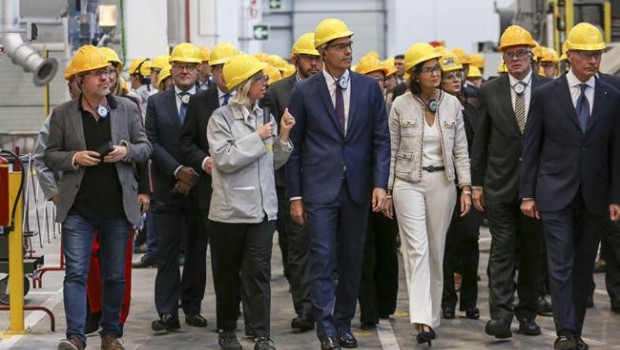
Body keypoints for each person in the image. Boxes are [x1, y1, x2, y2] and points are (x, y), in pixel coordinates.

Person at [286, 18, 390, 350]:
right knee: (322, 258)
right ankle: (326, 329)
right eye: (340, 47)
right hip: (318, 189)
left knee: (352, 259)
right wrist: (296, 196)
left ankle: (344, 323)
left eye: (349, 46)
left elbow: (381, 141)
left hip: (357, 189)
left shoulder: (368, 88)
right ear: (323, 52)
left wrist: (380, 184)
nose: (348, 52)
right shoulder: (303, 91)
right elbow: (294, 148)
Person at [44, 44, 152, 350]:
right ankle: (76, 336)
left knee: (115, 275)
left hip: (118, 209)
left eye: (107, 72)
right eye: (96, 74)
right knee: (75, 274)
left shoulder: (127, 109)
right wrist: (74, 157)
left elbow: (146, 148)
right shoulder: (63, 114)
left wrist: (126, 151)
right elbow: (50, 155)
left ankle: (110, 334)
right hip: (79, 209)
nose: (105, 78)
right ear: (79, 80)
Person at [520, 22, 620, 350]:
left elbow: (616, 151)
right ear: (570, 56)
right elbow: (531, 147)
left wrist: (615, 196)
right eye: (588, 55)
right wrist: (528, 193)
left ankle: (574, 333)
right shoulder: (547, 94)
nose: (594, 61)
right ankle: (564, 332)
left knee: (582, 268)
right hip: (554, 193)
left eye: (598, 55)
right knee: (560, 263)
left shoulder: (612, 94)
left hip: (594, 196)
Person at [383, 43, 470, 346]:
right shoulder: (400, 105)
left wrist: (466, 187)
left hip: (443, 183)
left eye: (438, 69)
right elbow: (391, 150)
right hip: (408, 182)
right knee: (416, 249)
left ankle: (431, 316)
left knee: (436, 250)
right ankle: (421, 320)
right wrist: (389, 190)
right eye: (429, 69)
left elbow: (461, 150)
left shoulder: (452, 105)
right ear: (415, 75)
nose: (436, 74)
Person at [207, 54, 295, 350]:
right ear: (245, 84)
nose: (266, 83)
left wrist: (282, 136)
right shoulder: (220, 119)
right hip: (230, 214)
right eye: (260, 79)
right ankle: (228, 331)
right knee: (228, 276)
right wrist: (257, 138)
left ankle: (261, 334)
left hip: (262, 212)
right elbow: (225, 159)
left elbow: (274, 161)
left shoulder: (265, 116)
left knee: (259, 275)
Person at [471, 25, 551, 340]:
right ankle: (501, 316)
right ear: (502, 58)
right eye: (509, 54)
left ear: (531, 56)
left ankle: (528, 314)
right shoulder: (490, 90)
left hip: (536, 188)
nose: (515, 59)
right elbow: (481, 141)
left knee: (532, 254)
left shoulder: (548, 89)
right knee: (501, 252)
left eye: (520, 53)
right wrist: (476, 184)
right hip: (499, 186)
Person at [145, 42, 208, 332]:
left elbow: (213, 141)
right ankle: (168, 312)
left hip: (201, 187)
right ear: (171, 69)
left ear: (198, 70)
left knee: (196, 250)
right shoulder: (157, 103)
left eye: (190, 66)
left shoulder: (209, 101)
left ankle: (192, 308)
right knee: (168, 252)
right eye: (179, 65)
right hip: (167, 188)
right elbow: (152, 142)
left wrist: (194, 171)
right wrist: (177, 170)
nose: (184, 70)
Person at [265, 32, 322, 332]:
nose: (314, 63)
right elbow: (272, 142)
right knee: (296, 248)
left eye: (318, 57)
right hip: (288, 182)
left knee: (325, 246)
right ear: (295, 59)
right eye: (309, 58)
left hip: (323, 180)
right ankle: (306, 307)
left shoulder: (332, 88)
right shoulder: (276, 93)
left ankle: (323, 302)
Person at [433, 48, 482, 321]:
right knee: (446, 243)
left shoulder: (473, 106)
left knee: (469, 239)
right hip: (442, 183)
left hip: (469, 184)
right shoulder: (433, 110)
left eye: (458, 74)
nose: (455, 79)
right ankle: (448, 300)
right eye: (449, 75)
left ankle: (470, 301)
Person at [354, 54, 400, 330]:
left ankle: (386, 303)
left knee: (387, 248)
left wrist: (390, 188)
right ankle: (368, 309)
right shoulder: (355, 110)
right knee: (363, 250)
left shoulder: (397, 109)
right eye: (371, 79)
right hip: (360, 189)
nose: (377, 84)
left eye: (381, 79)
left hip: (389, 189)